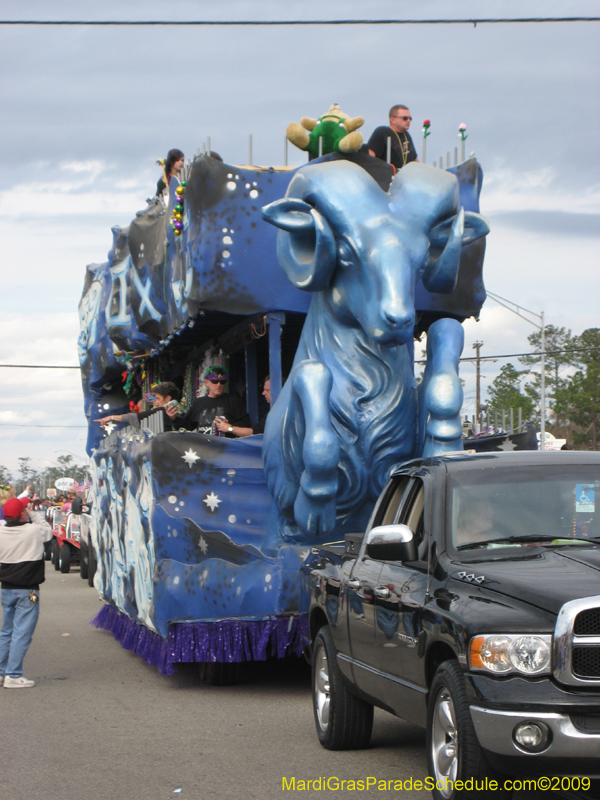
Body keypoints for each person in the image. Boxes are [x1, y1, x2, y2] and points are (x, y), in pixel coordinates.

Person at [0, 496, 52, 687]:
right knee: (21, 633)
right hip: (27, 589)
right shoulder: (34, 530)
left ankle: (1, 672)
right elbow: (48, 529)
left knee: (6, 631)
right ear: (22, 514)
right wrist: (31, 512)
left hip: (6, 589)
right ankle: (13, 675)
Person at [166, 366, 251, 437]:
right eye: (214, 381)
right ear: (207, 382)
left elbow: (245, 425)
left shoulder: (234, 401)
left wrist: (229, 427)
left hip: (226, 449)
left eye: (222, 382)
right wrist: (174, 418)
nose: (218, 385)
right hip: (205, 449)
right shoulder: (199, 403)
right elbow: (187, 427)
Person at [96, 382, 181, 432]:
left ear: (168, 399)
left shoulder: (162, 411)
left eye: (158, 398)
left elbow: (132, 417)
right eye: (154, 399)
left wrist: (111, 417)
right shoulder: (181, 413)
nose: (155, 402)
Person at [367, 105, 418, 172]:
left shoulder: (407, 136)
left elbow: (415, 160)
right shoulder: (382, 132)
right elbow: (370, 158)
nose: (408, 120)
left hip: (405, 177)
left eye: (410, 118)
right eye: (405, 118)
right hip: (387, 176)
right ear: (393, 120)